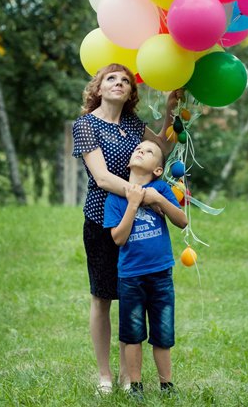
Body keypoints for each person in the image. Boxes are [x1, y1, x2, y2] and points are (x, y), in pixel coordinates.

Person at [72, 63, 180, 394]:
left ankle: (126, 375)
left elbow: (162, 149)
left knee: (130, 298)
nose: (119, 83)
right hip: (103, 218)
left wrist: (170, 112)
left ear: (131, 92)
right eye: (111, 79)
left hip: (139, 221)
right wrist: (145, 196)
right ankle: (105, 375)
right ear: (99, 88)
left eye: (125, 81)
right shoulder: (86, 125)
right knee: (103, 296)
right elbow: (102, 178)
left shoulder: (132, 123)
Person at [103, 139, 188, 399]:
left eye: (149, 151)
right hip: (130, 276)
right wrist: (133, 203)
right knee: (132, 334)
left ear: (158, 170)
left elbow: (182, 221)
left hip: (161, 273)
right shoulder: (116, 198)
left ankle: (167, 386)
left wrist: (157, 199)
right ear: (129, 160)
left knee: (163, 333)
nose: (141, 150)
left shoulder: (161, 187)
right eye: (138, 148)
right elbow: (118, 238)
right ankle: (136, 387)